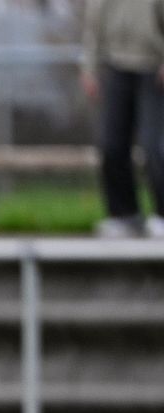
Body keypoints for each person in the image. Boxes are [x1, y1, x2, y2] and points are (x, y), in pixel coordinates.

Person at [82, 0, 164, 237]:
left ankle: (162, 213)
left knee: (153, 145)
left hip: (152, 67)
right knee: (111, 145)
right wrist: (89, 67)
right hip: (115, 65)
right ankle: (124, 215)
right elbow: (93, 25)